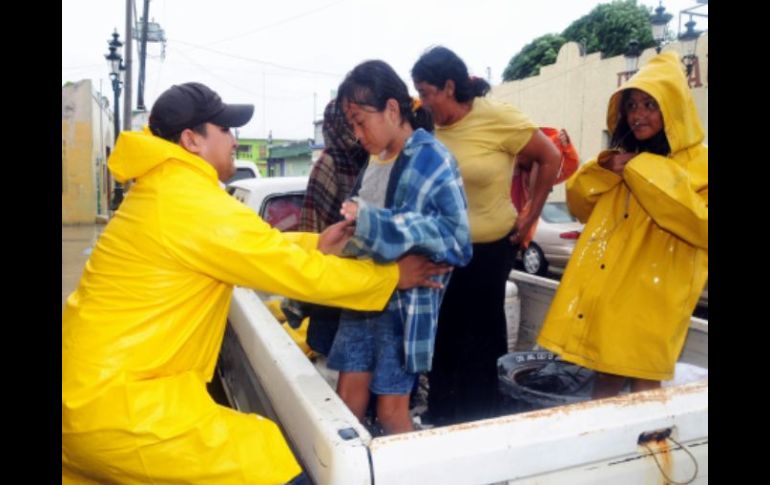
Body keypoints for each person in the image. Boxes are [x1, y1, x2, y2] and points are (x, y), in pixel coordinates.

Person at [61, 82, 450, 484]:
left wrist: (316, 243)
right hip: (123, 405)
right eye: (225, 129)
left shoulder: (165, 191)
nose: (234, 139)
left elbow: (249, 246)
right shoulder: (194, 203)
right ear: (192, 140)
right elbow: (297, 273)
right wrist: (390, 276)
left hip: (83, 394)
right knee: (265, 458)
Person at [536, 51, 708, 399]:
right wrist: (603, 169)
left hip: (657, 294)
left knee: (646, 383)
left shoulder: (698, 162)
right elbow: (580, 205)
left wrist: (642, 170)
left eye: (650, 104)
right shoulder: (622, 157)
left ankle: (647, 451)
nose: (638, 115)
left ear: (673, 108)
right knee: (605, 377)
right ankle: (606, 448)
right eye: (632, 105)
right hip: (612, 289)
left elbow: (699, 223)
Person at [411, 46, 561, 425]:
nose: (423, 102)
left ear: (449, 86)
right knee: (442, 335)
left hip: (489, 251)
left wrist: (531, 215)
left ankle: (480, 420)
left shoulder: (497, 118)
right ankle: (442, 415)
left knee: (479, 338)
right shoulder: (426, 126)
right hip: (440, 249)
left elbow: (551, 158)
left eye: (427, 92)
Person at [327, 60, 472, 434]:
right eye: (352, 125)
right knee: (345, 407)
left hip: (403, 311)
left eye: (361, 121)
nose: (358, 134)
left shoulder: (433, 158)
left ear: (393, 109)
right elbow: (357, 231)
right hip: (361, 298)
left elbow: (457, 240)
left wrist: (378, 224)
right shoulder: (373, 162)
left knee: (393, 414)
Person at [290, 99, 370, 356]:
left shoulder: (372, 159)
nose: (356, 131)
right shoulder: (330, 162)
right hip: (333, 272)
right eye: (351, 123)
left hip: (360, 277)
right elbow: (313, 228)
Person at [511, 127, 579, 248]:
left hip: (516, 237)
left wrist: (567, 147)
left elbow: (571, 167)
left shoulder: (540, 176)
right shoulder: (508, 168)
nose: (521, 154)